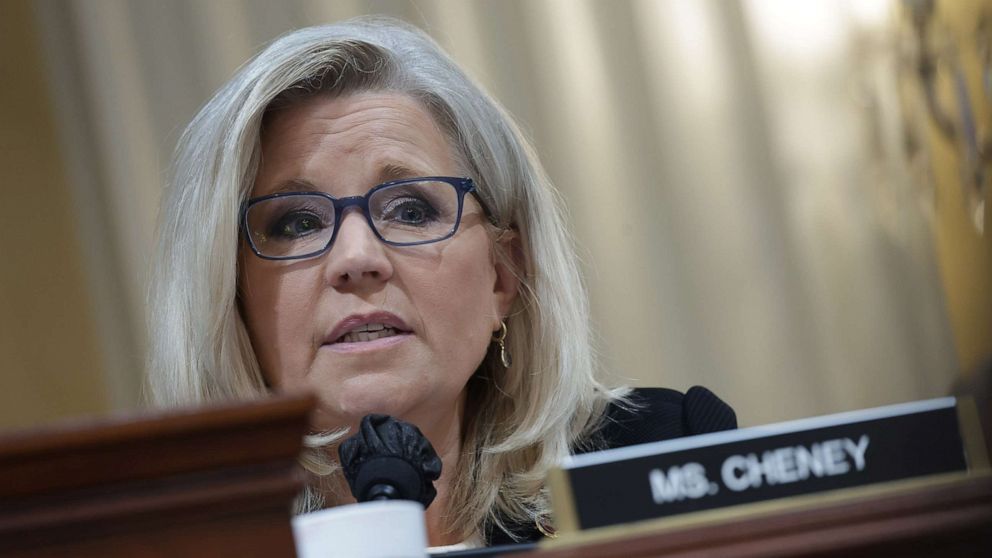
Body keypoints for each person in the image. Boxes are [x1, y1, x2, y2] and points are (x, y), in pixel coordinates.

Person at [146, 16, 735, 548]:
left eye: (410, 210)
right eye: (296, 222)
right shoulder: (167, 544)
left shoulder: (661, 458)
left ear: (503, 275)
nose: (357, 258)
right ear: (230, 299)